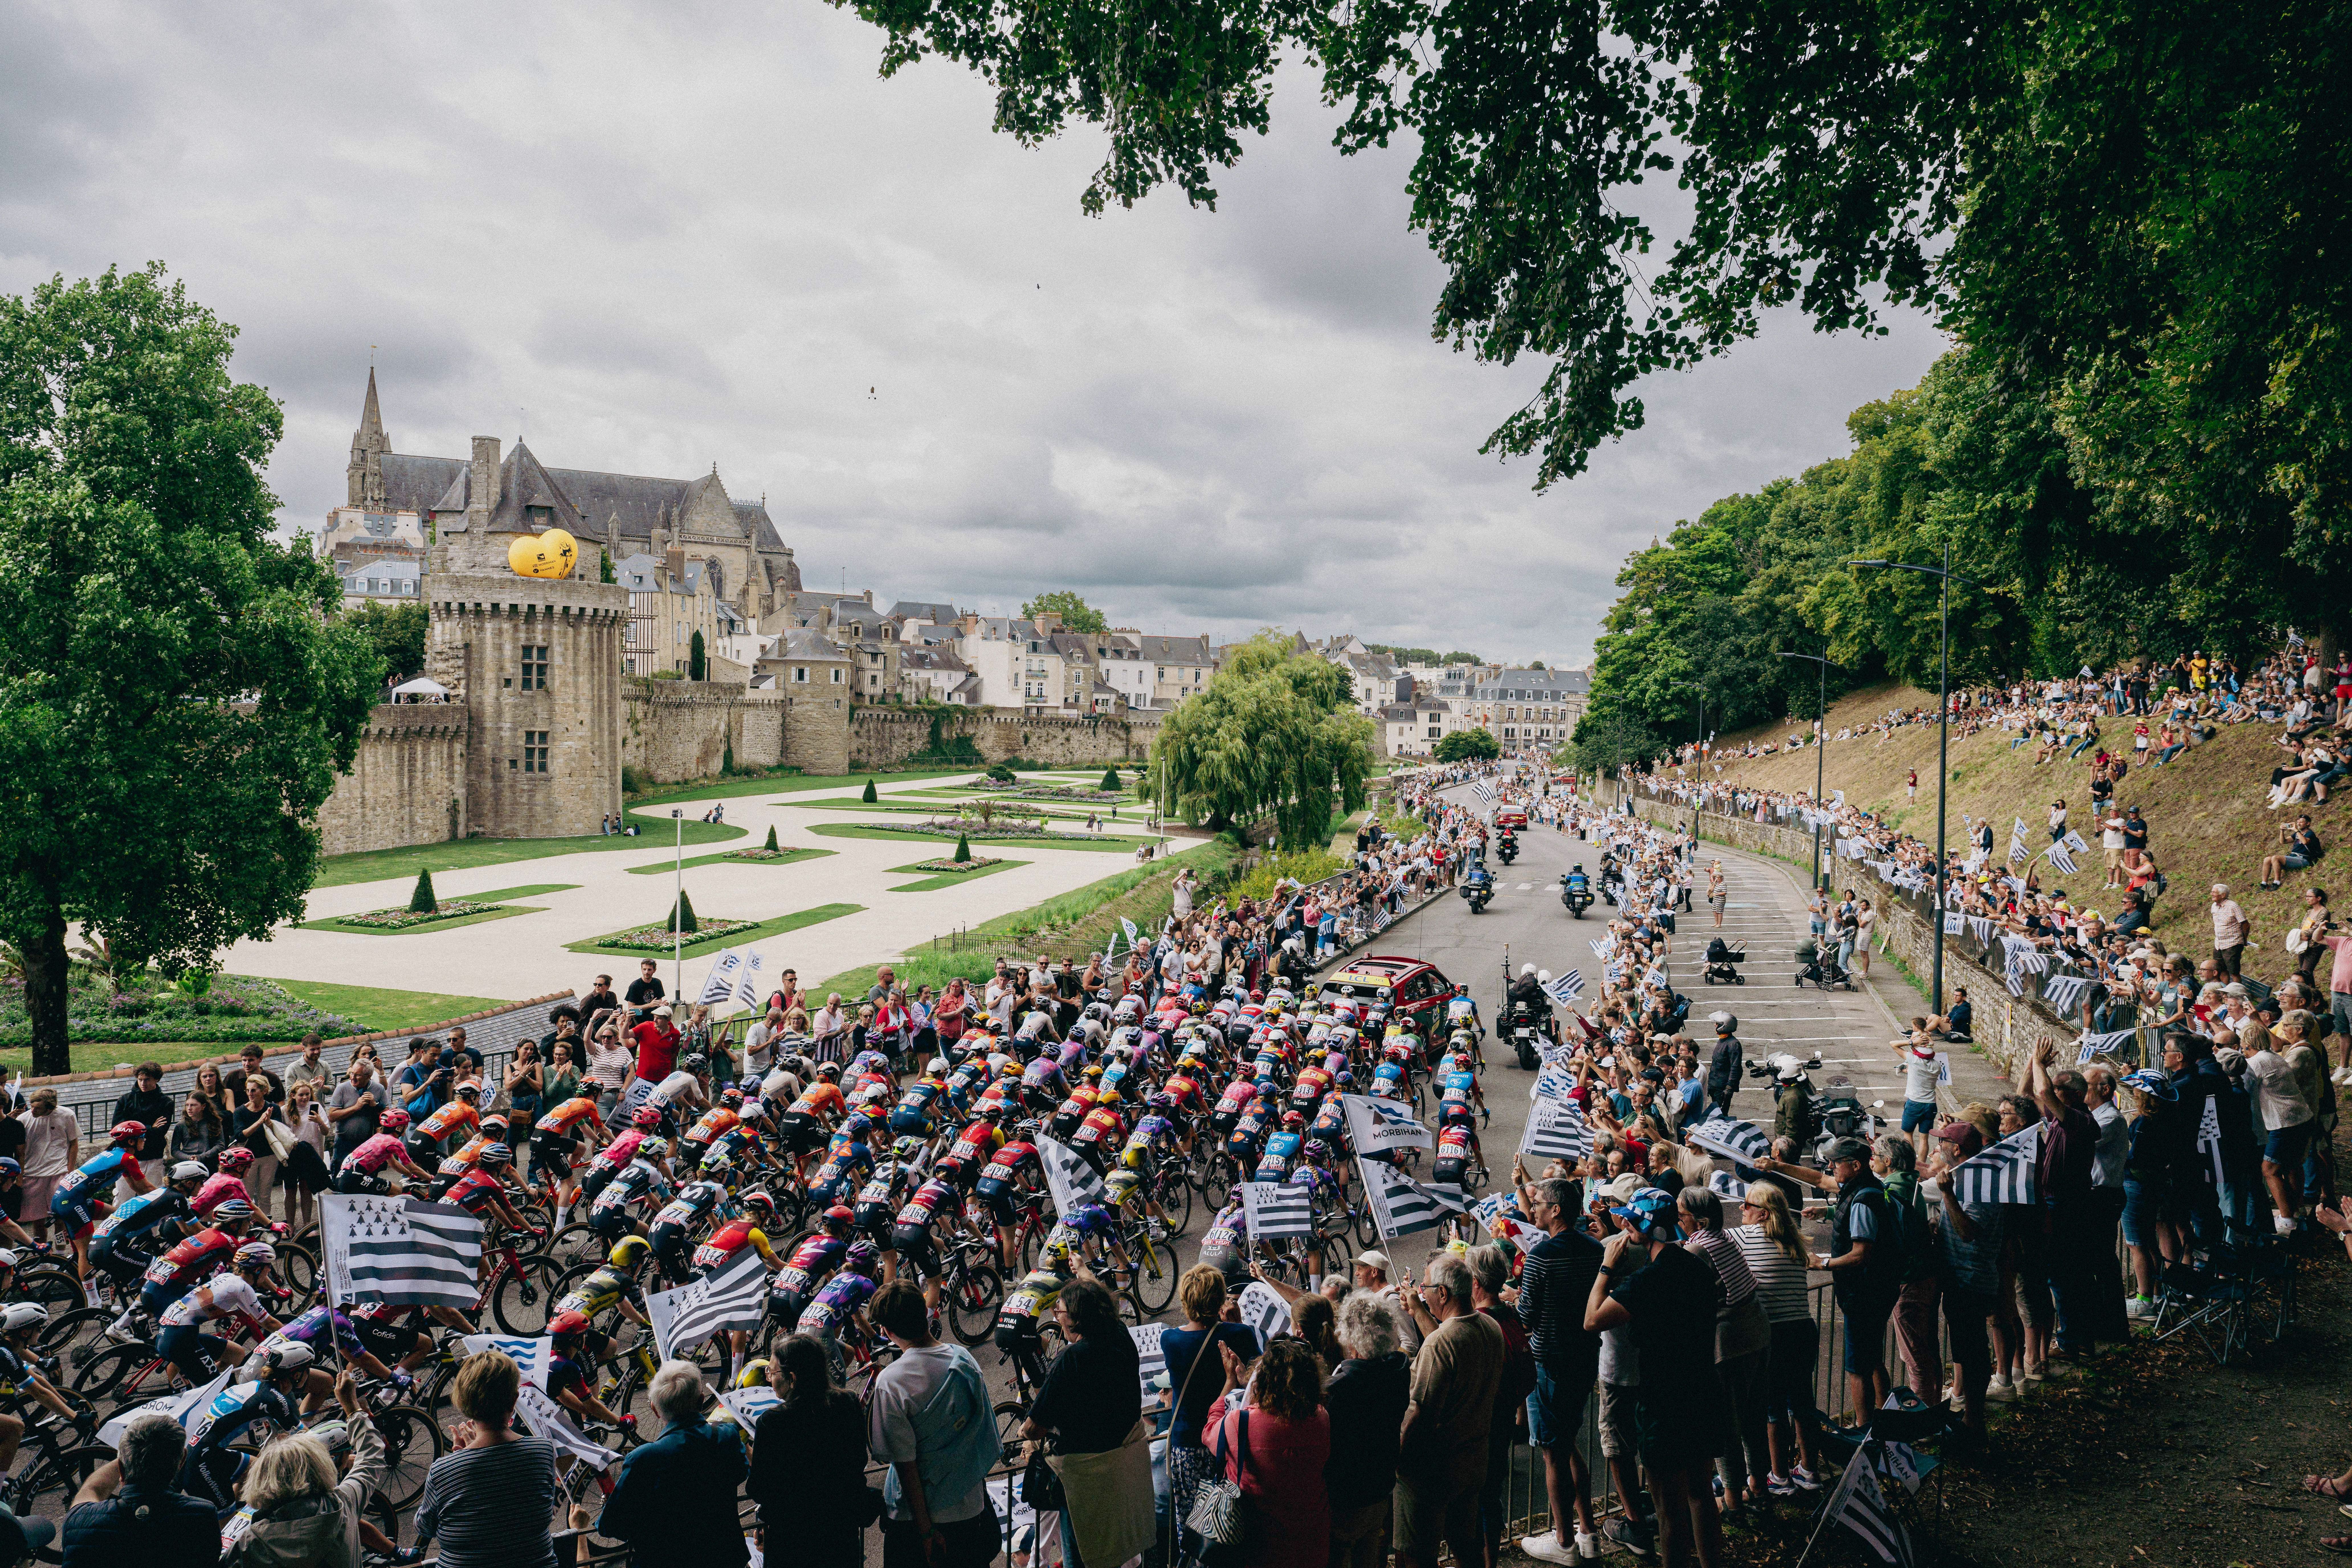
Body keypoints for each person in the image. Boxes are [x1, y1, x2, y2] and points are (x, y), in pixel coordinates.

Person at [1583, 1187, 1725, 1568]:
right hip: (1703, 1388)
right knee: (1701, 1494)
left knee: (1668, 1509)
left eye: (1632, 1219)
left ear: (1646, 1228)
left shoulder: (1647, 1280)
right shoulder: (1698, 1265)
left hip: (1664, 1399)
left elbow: (1592, 1320)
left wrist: (1606, 1269)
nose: (1625, 1223)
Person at [865, 1279, 1001, 1568]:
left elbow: (906, 1465)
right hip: (970, 1507)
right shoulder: (964, 1359)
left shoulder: (892, 1382)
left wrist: (926, 1531)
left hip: (918, 1521)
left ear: (888, 1331)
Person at [1023, 1277, 1152, 1568]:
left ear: (1077, 1317)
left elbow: (1034, 1427)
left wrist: (1028, 1436)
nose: (1057, 1316)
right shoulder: (1120, 1333)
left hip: (1083, 1479)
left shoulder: (1072, 1358)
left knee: (1082, 1555)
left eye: (1060, 1310)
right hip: (1123, 1467)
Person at [1511, 1175, 1604, 1564]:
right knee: (1567, 1446)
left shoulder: (1541, 1257)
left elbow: (1526, 1317)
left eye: (1538, 1204)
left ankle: (1563, 1541)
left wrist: (1514, 1299)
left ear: (1556, 1210)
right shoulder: (1595, 1249)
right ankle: (1586, 1532)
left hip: (1549, 1362)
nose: (1532, 1209)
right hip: (1585, 1357)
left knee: (1553, 1451)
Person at [1394, 1252, 1504, 1568]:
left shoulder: (1441, 1343)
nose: (1422, 1293)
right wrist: (1417, 1310)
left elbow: (1419, 1413)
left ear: (1443, 1293)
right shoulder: (1491, 1327)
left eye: (1425, 1287)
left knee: (1414, 1555)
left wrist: (1395, 1457)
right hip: (1473, 1460)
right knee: (1465, 1544)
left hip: (1432, 1471)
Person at [224, 1369, 386, 1568]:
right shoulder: (344, 1502)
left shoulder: (250, 1542)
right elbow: (371, 1458)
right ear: (322, 1465)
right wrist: (352, 1408)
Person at [414, 1352, 560, 1568]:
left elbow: (425, 1527)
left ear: (462, 1403)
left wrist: (459, 1462)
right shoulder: (542, 1451)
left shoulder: (443, 1471)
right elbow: (543, 1512)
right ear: (513, 1400)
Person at [601, 1361, 749, 1568]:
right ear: (701, 1400)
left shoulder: (644, 1458)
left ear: (655, 1409)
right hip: (724, 1557)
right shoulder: (726, 1437)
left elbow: (610, 1527)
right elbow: (741, 1473)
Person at [749, 1334, 870, 1568]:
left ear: (792, 1379)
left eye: (772, 1374)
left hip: (793, 1543)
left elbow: (761, 1488)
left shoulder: (773, 1423)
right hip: (841, 1534)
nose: (769, 1379)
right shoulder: (848, 1404)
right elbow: (858, 1460)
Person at [1209, 1335, 1330, 1568]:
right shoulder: (1321, 1418)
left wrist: (1229, 1385)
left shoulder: (1239, 1422)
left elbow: (1211, 1434)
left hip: (1257, 1542)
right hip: (1309, 1540)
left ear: (1262, 1380)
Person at [1163, 1266, 1261, 1545]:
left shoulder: (1170, 1340)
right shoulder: (1240, 1334)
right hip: (1231, 1441)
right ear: (1220, 1299)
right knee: (1232, 1521)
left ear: (1186, 1301)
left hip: (1189, 1443)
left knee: (1193, 1527)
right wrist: (1238, 1323)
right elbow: (1257, 1374)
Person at [63, 1410, 215, 1567]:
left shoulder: (80, 1519)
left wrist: (127, 1457)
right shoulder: (202, 1515)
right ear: (182, 1461)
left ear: (121, 1468)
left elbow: (92, 1489)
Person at [1325, 1292, 1410, 1568]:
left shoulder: (1339, 1388)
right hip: (1381, 1488)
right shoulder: (1399, 1370)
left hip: (1346, 1498)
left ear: (1349, 1337)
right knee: (1370, 1556)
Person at [19, 1089, 78, 1247]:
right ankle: (42, 1253)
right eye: (32, 1106)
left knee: (60, 1218)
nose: (32, 1111)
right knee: (38, 1220)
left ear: (50, 1108)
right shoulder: (23, 1119)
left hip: (59, 1172)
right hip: (32, 1174)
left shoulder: (67, 1115)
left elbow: (73, 1143)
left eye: (37, 1108)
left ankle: (60, 1252)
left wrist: (70, 1171)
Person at [111, 1064, 173, 1194]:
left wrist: (131, 1129)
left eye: (148, 1080)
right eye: (140, 1079)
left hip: (153, 1156)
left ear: (156, 1079)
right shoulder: (126, 1100)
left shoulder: (166, 1102)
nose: (143, 1083)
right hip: (126, 1156)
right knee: (123, 1197)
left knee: (153, 1197)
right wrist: (150, 1128)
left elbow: (161, 1132)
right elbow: (117, 1130)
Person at [169, 1092, 226, 1168]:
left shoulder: (214, 1122)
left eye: (193, 1105)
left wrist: (202, 1157)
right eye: (187, 1105)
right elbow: (175, 1150)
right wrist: (189, 1158)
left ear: (203, 1106)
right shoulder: (181, 1125)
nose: (189, 1108)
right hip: (187, 1164)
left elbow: (220, 1145)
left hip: (209, 1162)